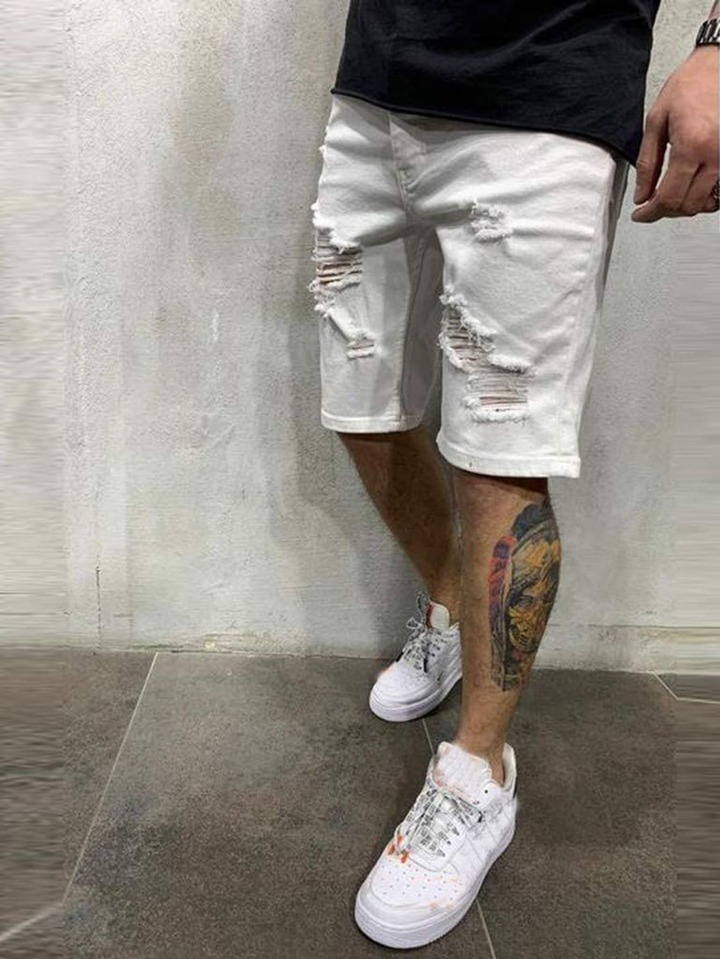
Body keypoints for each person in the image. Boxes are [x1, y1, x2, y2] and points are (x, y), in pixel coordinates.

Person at [307, 1, 719, 948]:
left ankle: (478, 770)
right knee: (363, 409)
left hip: (547, 102)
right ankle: (452, 607)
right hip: (374, 92)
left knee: (500, 459)